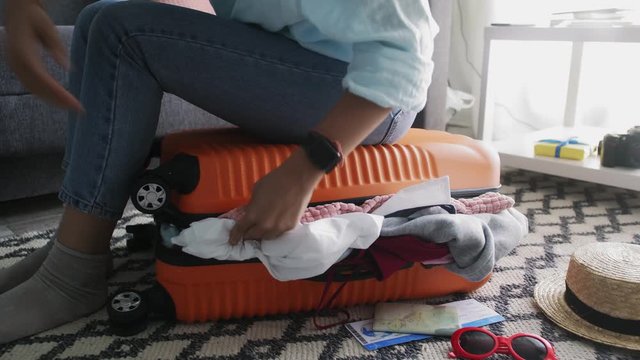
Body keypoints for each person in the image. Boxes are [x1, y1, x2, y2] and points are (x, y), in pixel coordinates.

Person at [0, 0, 438, 343]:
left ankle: (71, 277)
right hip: (304, 61)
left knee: (123, 31)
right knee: (102, 14)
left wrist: (306, 168)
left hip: (370, 99)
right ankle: (71, 245)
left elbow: (405, 57)